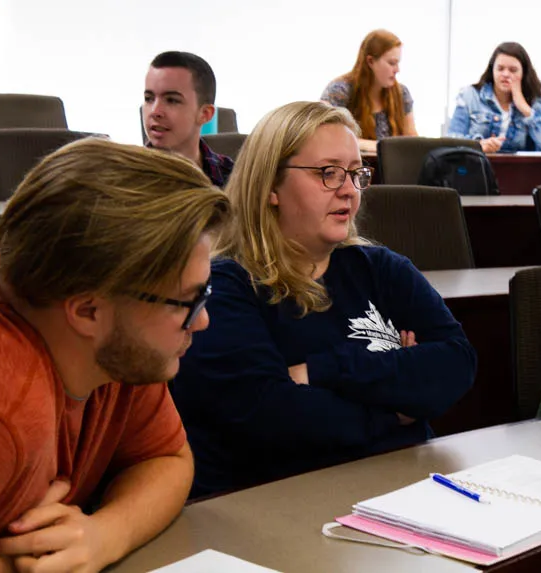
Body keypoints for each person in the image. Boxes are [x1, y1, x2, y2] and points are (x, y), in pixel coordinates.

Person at [0, 138, 231, 571]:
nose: (203, 321)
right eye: (188, 302)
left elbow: (168, 458)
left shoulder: (116, 338)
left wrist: (105, 534)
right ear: (87, 310)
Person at [172, 101, 476, 496]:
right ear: (271, 186)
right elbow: (275, 417)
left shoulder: (379, 267)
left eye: (356, 173)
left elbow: (456, 362)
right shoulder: (226, 286)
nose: (350, 190)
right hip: (279, 503)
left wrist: (320, 372)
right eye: (328, 173)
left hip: (395, 484)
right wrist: (398, 408)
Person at [143, 51, 234, 187]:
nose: (155, 111)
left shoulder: (233, 178)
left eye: (172, 100)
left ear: (205, 114)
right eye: (149, 99)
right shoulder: (121, 177)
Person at [447, 42, 541, 153]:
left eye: (513, 70)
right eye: (500, 69)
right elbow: (451, 139)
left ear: (524, 73)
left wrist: (524, 108)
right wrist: (479, 145)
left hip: (520, 169)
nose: (506, 74)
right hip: (477, 167)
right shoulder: (470, 95)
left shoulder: (536, 102)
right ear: (492, 70)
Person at [321, 29, 418, 153]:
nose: (397, 69)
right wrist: (381, 147)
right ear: (370, 61)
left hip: (393, 170)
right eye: (392, 63)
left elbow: (411, 140)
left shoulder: (401, 93)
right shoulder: (339, 90)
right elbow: (325, 135)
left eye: (398, 63)